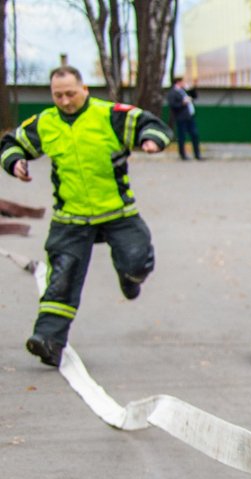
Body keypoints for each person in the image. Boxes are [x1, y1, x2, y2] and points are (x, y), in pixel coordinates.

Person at [0, 65, 171, 367]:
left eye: (70, 94)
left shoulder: (109, 115)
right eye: (58, 95)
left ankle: (130, 279)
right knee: (61, 277)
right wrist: (14, 163)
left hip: (117, 212)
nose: (64, 101)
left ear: (84, 90)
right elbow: (12, 143)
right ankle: (48, 340)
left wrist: (152, 140)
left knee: (137, 259)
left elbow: (149, 122)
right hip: (71, 218)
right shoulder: (46, 123)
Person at [165, 75, 201, 161]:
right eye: (182, 82)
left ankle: (197, 154)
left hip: (190, 116)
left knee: (195, 134)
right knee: (182, 136)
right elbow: (173, 105)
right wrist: (182, 103)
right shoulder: (173, 93)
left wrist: (191, 88)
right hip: (181, 117)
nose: (184, 83)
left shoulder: (184, 91)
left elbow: (194, 96)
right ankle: (183, 155)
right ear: (178, 82)